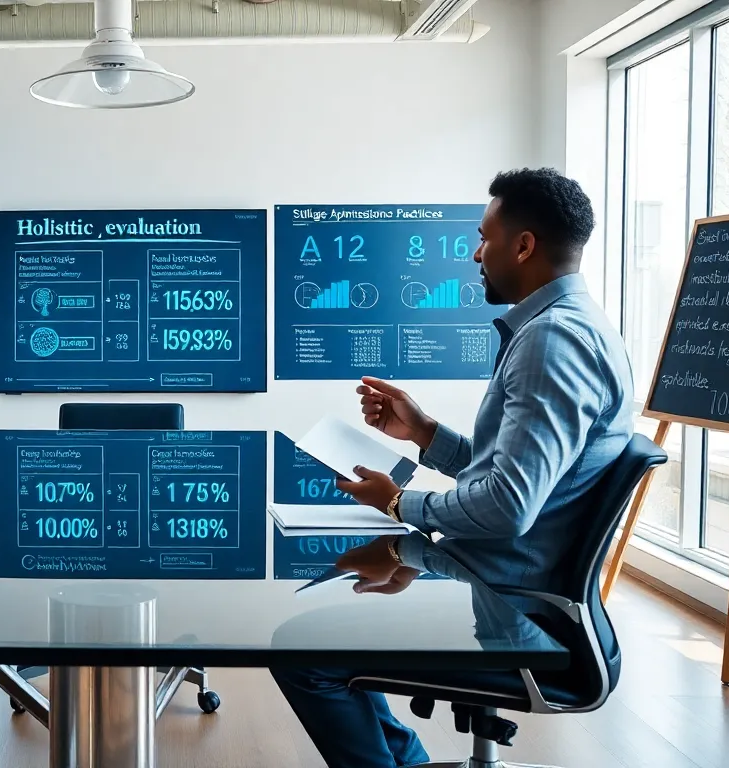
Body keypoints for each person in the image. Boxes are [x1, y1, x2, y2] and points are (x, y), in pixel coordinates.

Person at [271, 168, 635, 768]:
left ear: (524, 245)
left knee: (302, 649)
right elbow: (522, 474)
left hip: (516, 607)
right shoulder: (576, 327)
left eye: (484, 237)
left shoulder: (552, 342)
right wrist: (425, 433)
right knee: (321, 634)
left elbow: (508, 506)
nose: (474, 252)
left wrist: (395, 504)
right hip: (506, 581)